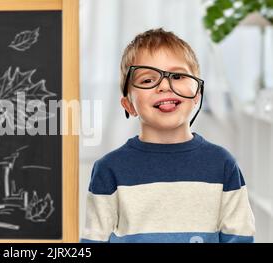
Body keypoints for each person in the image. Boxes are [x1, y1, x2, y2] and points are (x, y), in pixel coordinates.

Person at [81, 28, 255, 243]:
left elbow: (240, 237)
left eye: (178, 76)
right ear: (129, 105)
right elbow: (93, 241)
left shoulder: (222, 164)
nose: (164, 86)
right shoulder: (109, 169)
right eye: (147, 80)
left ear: (196, 95)